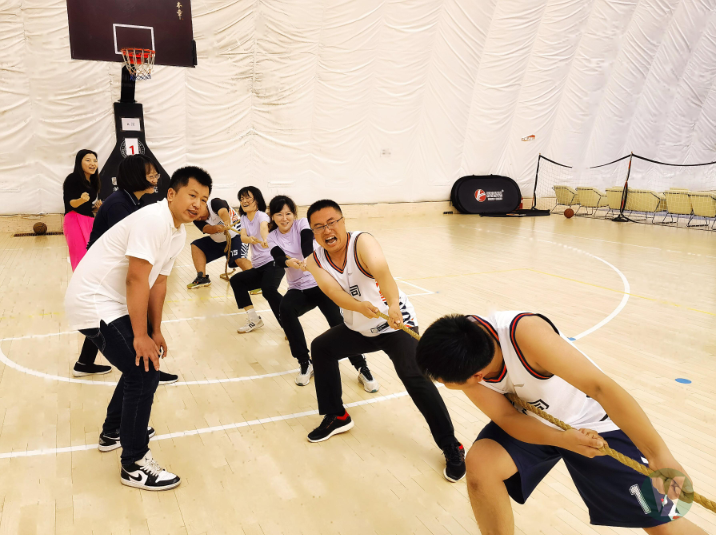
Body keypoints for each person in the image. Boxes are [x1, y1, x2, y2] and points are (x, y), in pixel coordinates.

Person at [415, 313, 707, 534]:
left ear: (477, 376)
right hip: (535, 421)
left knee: (662, 522)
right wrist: (560, 439)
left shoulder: (526, 335)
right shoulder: (463, 357)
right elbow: (506, 417)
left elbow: (602, 388)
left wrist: (659, 454)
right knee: (481, 466)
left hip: (596, 423)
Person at [64, 166, 212, 491]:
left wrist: (155, 330)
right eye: (192, 195)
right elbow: (135, 278)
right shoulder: (153, 220)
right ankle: (133, 464)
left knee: (141, 364)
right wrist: (140, 335)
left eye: (203, 199)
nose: (197, 204)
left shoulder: (177, 232)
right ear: (171, 194)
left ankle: (113, 432)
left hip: (112, 300)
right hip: (94, 301)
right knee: (144, 372)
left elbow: (158, 283)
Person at [300, 199, 466, 483]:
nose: (327, 230)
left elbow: (383, 273)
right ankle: (337, 416)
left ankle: (452, 445)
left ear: (342, 221)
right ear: (313, 233)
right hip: (359, 326)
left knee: (415, 376)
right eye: (319, 227)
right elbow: (333, 293)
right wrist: (357, 306)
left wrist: (393, 306)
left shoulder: (362, 243)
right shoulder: (315, 260)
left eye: (331, 222)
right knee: (322, 347)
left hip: (394, 323)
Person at [72, 155, 179, 385]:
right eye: (150, 175)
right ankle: (150, 367)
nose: (155, 179)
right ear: (135, 176)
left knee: (106, 318)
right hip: (104, 270)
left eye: (156, 174)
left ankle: (84, 362)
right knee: (130, 313)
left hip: (106, 269)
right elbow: (131, 246)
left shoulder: (133, 201)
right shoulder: (119, 204)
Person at [267, 195, 379, 390]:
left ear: (294, 214)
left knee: (339, 323)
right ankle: (305, 362)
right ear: (273, 217)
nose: (284, 218)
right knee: (285, 309)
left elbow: (306, 242)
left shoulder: (302, 224)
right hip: (298, 288)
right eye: (279, 215)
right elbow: (277, 256)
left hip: (321, 284)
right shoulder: (272, 236)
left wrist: (307, 260)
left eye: (288, 213)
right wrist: (288, 262)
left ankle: (361, 366)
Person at [229, 186, 285, 333]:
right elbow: (243, 237)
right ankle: (254, 319)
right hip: (259, 267)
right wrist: (250, 239)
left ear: (257, 200)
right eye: (241, 198)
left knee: (268, 290)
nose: (244, 201)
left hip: (273, 263)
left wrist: (265, 239)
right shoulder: (243, 218)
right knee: (236, 280)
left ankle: (289, 323)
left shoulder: (261, 216)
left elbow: (263, 228)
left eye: (248, 197)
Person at [187, 197, 251, 289]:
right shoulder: (196, 219)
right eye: (196, 216)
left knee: (239, 259)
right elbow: (206, 229)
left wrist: (226, 222)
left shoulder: (215, 203)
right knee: (196, 245)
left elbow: (223, 212)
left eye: (198, 214)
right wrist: (216, 228)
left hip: (238, 236)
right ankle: (202, 277)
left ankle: (258, 280)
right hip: (218, 242)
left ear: (203, 204)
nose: (199, 218)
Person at [63, 149, 101, 270]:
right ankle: (80, 281)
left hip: (89, 220)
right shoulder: (72, 178)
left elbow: (86, 206)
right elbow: (71, 203)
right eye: (88, 160)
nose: (92, 163)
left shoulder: (93, 181)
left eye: (95, 160)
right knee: (80, 257)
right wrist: (81, 200)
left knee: (92, 255)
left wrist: (95, 208)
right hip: (74, 219)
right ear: (79, 162)